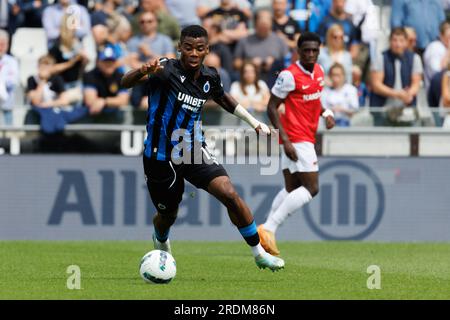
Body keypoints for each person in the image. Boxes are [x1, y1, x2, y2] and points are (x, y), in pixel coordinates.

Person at [120, 25, 285, 271]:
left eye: (199, 48)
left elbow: (224, 99)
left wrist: (254, 122)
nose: (193, 53)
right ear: (180, 48)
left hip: (192, 149)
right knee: (168, 214)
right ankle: (161, 238)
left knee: (229, 193)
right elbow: (125, 83)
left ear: (207, 50)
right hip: (159, 155)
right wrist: (142, 70)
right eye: (188, 48)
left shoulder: (210, 77)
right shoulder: (165, 69)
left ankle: (258, 252)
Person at [257, 32, 335, 256]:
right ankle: (269, 229)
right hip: (296, 138)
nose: (310, 54)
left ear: (319, 51)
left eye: (314, 50)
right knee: (312, 188)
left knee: (291, 188)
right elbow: (271, 107)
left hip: (304, 136)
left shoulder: (319, 71)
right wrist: (286, 140)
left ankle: (264, 233)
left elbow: (314, 97)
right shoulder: (289, 75)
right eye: (306, 50)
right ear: (298, 52)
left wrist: (326, 112)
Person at [369, 27, 423, 126]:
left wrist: (408, 95)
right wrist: (397, 94)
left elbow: (416, 84)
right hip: (383, 110)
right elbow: (376, 85)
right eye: (395, 40)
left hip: (407, 110)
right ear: (390, 41)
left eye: (401, 41)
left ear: (406, 42)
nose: (398, 44)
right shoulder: (380, 57)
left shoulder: (415, 58)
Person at [233, 9, 289, 84]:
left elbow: (288, 63)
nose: (264, 27)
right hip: (250, 78)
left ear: (271, 24)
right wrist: (250, 64)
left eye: (266, 24)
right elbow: (236, 63)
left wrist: (275, 63)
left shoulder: (279, 40)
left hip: (275, 77)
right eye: (262, 24)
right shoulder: (245, 40)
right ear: (255, 24)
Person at [83, 46, 129, 123]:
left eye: (111, 61)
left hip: (115, 117)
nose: (109, 64)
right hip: (92, 117)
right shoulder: (90, 75)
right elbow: (90, 101)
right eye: (106, 61)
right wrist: (113, 102)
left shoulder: (120, 77)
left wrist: (104, 101)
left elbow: (123, 100)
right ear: (98, 62)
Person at [423, 22, 450, 88]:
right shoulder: (434, 48)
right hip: (438, 92)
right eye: (449, 37)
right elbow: (438, 73)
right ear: (441, 35)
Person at [0, 30, 19, 125]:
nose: (1, 47)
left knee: (9, 127)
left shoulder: (12, 61)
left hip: (7, 98)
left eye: (4, 44)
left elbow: (13, 79)